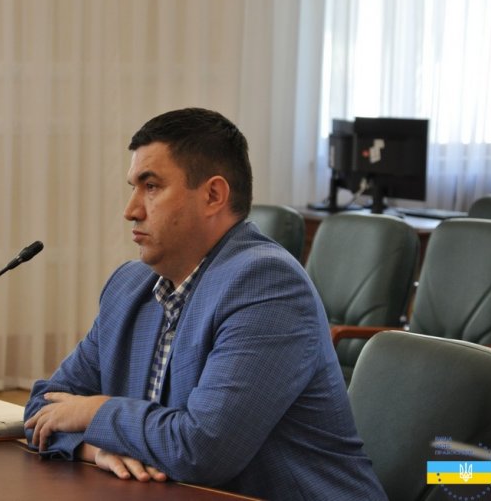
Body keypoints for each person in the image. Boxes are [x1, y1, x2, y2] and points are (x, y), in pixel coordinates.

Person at [24, 107, 387, 500]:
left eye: (151, 186)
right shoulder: (129, 286)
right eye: (133, 187)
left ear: (213, 195)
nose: (131, 210)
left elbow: (202, 450)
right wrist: (94, 450)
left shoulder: (267, 286)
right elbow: (42, 408)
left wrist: (94, 412)